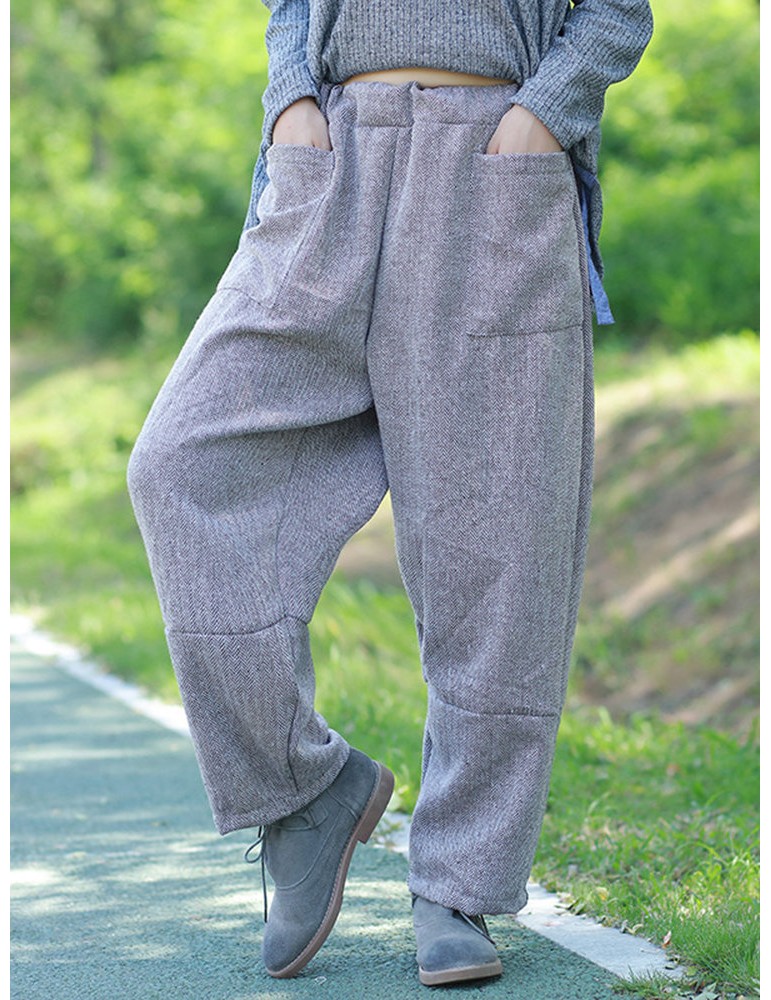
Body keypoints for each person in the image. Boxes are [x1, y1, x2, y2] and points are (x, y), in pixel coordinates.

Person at [127, 0, 653, 987]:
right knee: (181, 463)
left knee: (500, 543)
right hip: (329, 160)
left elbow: (617, 11)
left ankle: (459, 882)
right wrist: (290, 101)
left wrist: (542, 114)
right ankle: (304, 791)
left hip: (495, 168)